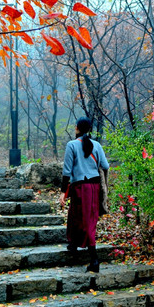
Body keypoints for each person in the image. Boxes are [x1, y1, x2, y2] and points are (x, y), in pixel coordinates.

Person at [60, 117, 109, 273]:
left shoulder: (72, 145)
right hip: (94, 187)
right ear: (89, 129)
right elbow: (105, 166)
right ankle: (73, 244)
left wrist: (62, 192)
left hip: (79, 187)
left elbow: (67, 171)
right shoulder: (97, 145)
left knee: (82, 218)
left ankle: (94, 259)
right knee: (78, 215)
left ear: (77, 128)